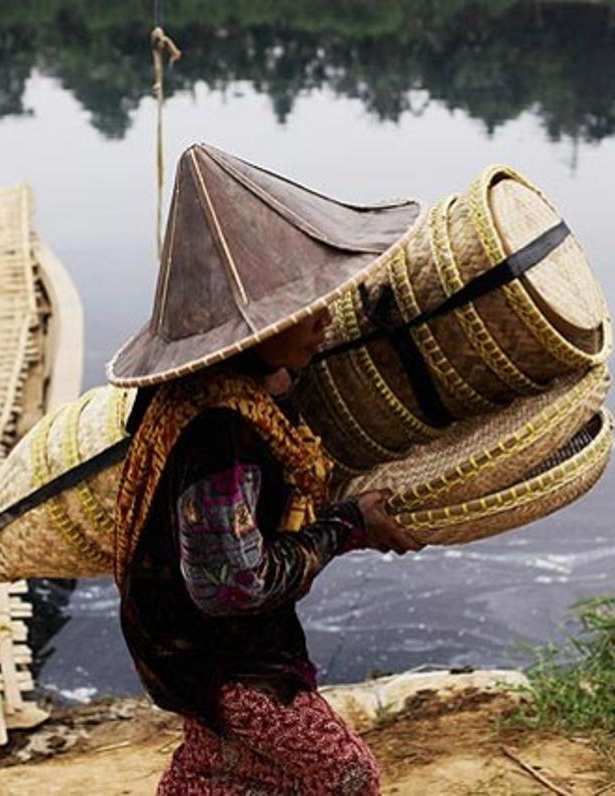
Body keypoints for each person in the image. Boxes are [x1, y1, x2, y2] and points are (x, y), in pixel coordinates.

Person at [107, 144, 423, 794]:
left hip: (182, 650)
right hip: (222, 663)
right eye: (299, 308)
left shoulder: (208, 392)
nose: (324, 317)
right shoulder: (223, 437)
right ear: (249, 332)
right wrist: (345, 525)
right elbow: (232, 586)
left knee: (224, 771)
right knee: (348, 778)